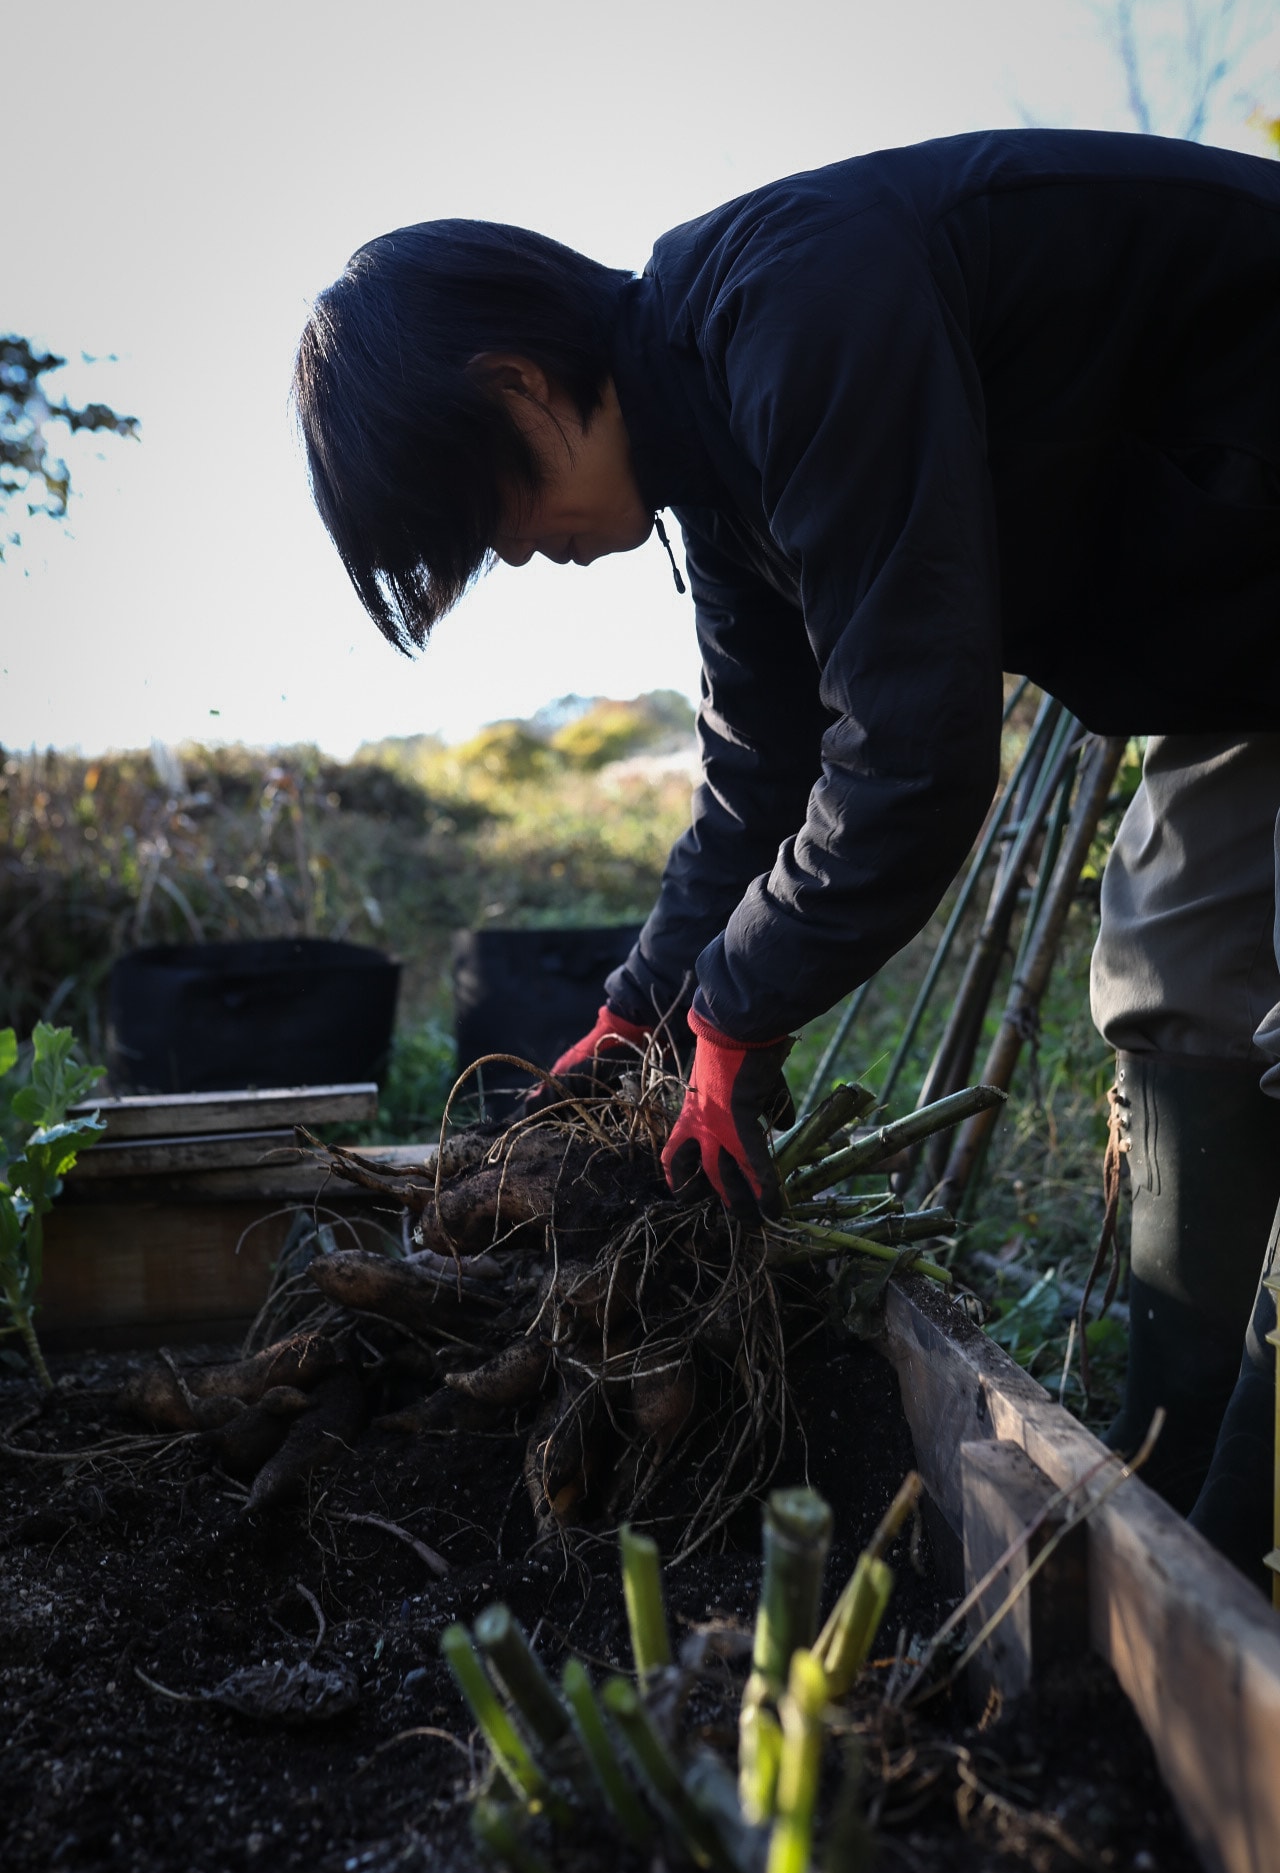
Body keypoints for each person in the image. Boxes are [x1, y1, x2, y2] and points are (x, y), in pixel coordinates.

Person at [293, 128, 1280, 1580]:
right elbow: (764, 777)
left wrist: (738, 1013)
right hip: (1242, 643)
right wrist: (640, 1006)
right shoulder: (714, 452)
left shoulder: (801, 309)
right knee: (1174, 969)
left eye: (494, 521)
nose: (528, 555)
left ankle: (1248, 1547)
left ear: (515, 384)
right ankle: (1179, 1493)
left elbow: (914, 758)